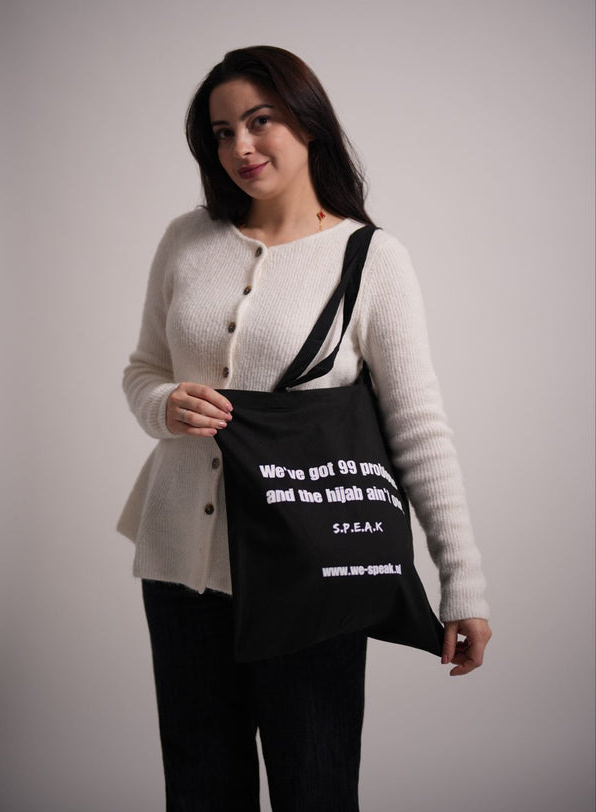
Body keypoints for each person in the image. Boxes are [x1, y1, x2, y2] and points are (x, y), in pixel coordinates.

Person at [118, 45, 491, 812]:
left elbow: (418, 429)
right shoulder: (186, 239)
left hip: (311, 571)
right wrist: (165, 406)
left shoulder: (371, 258)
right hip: (181, 564)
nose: (241, 146)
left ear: (310, 124)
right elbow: (143, 369)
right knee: (199, 789)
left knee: (314, 786)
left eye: (261, 121)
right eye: (222, 132)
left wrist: (463, 583)